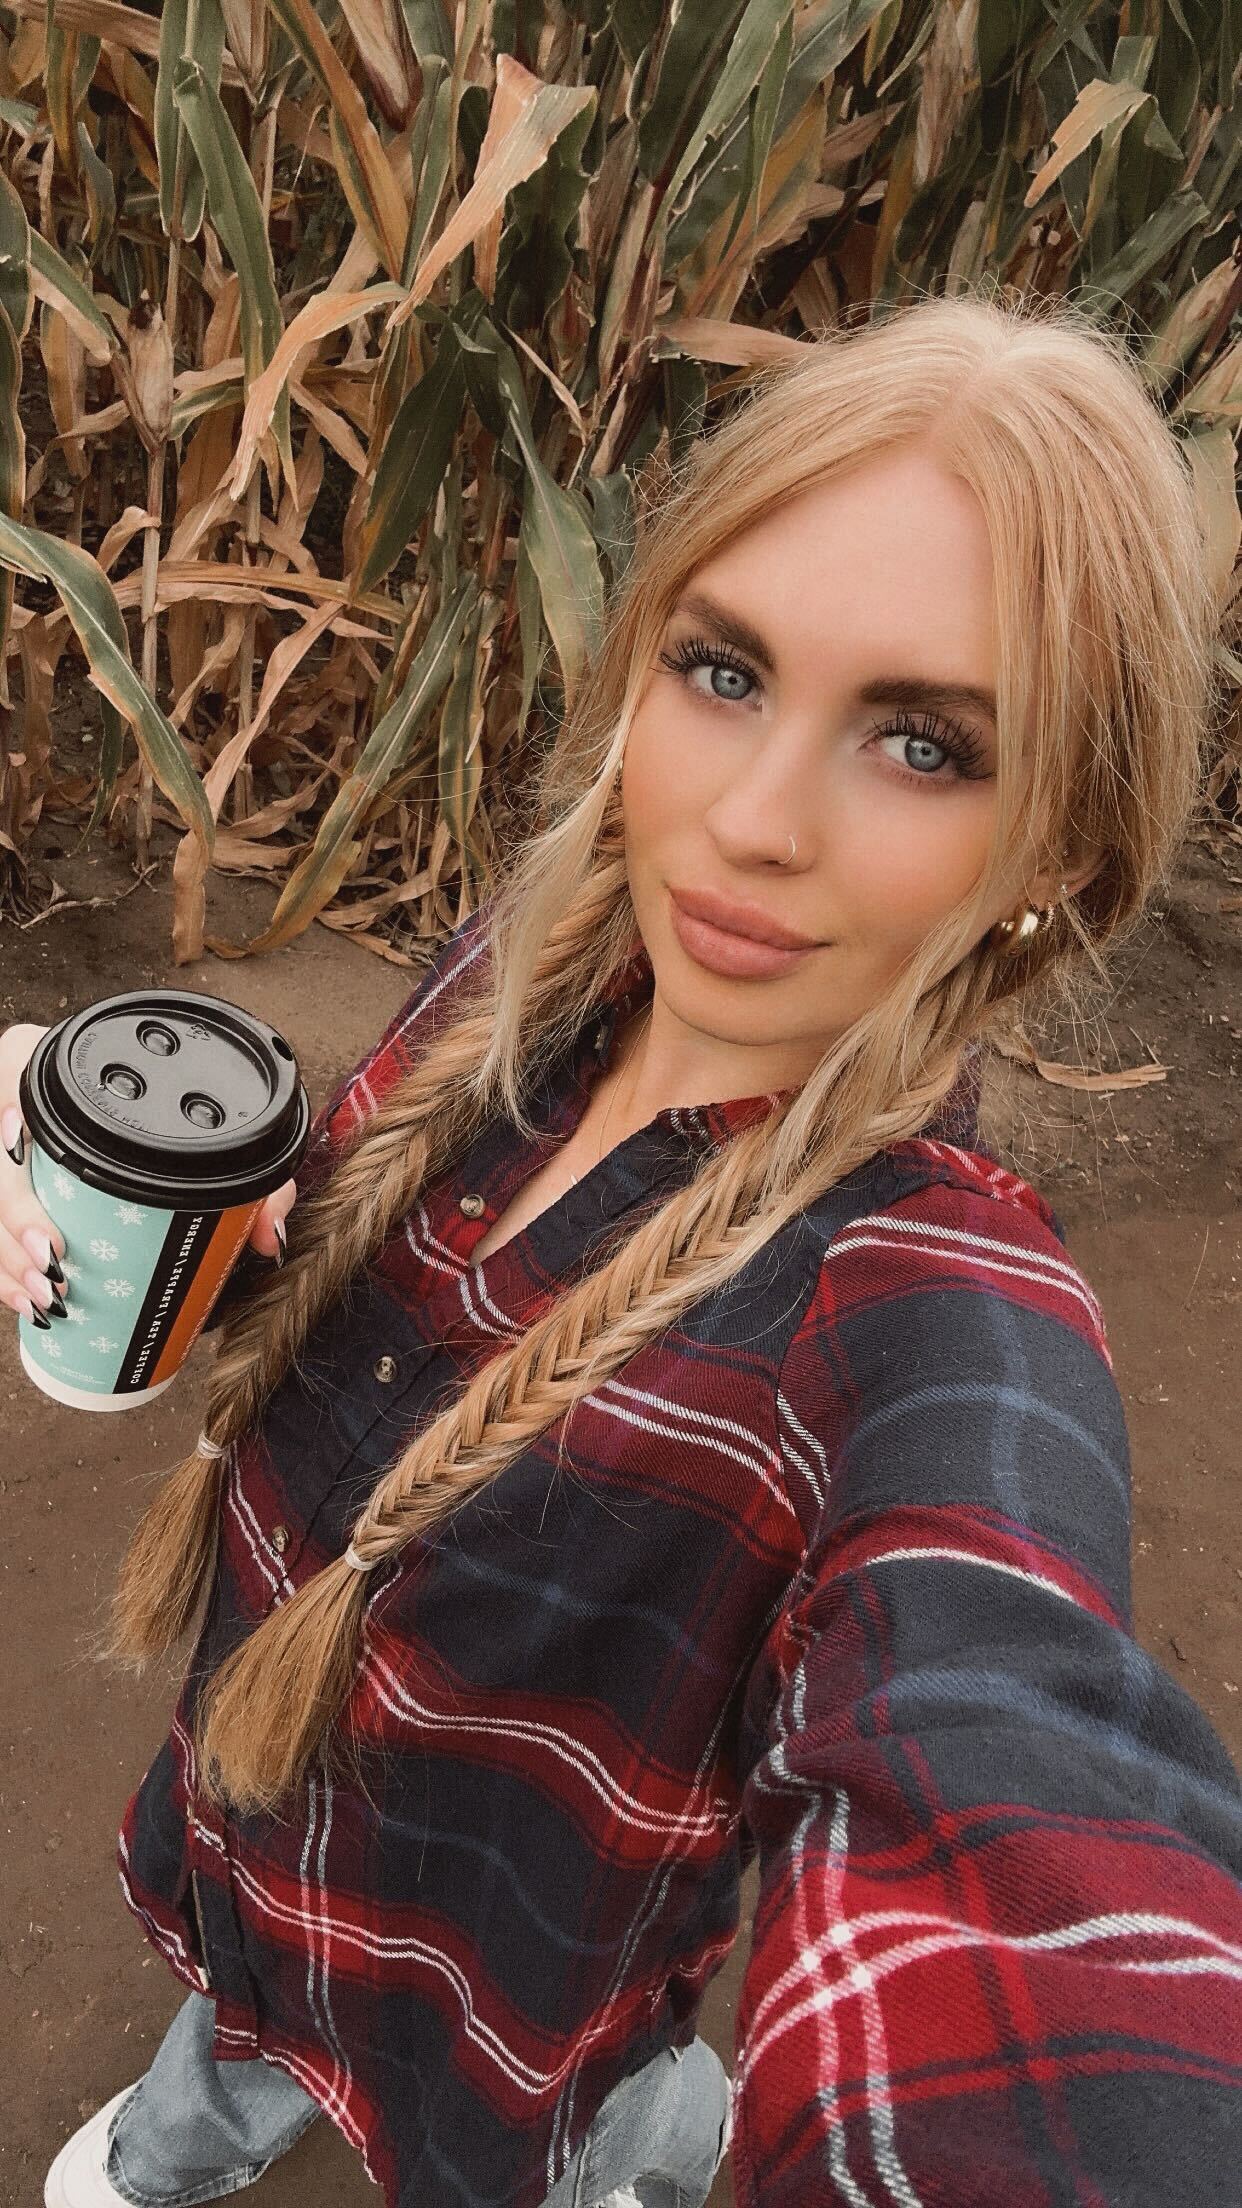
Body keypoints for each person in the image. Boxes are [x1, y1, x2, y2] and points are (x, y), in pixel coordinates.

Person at [5, 288, 1240, 2208]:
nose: (745, 822)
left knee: (578, 2128)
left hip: (515, 1967)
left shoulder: (928, 1320)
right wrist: (102, 1157)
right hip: (264, 1809)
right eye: (722, 670)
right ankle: (212, 2110)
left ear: (1060, 854)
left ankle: (652, 2149)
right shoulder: (531, 969)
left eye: (923, 744)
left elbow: (1015, 1795)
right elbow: (329, 1285)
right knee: (242, 2016)